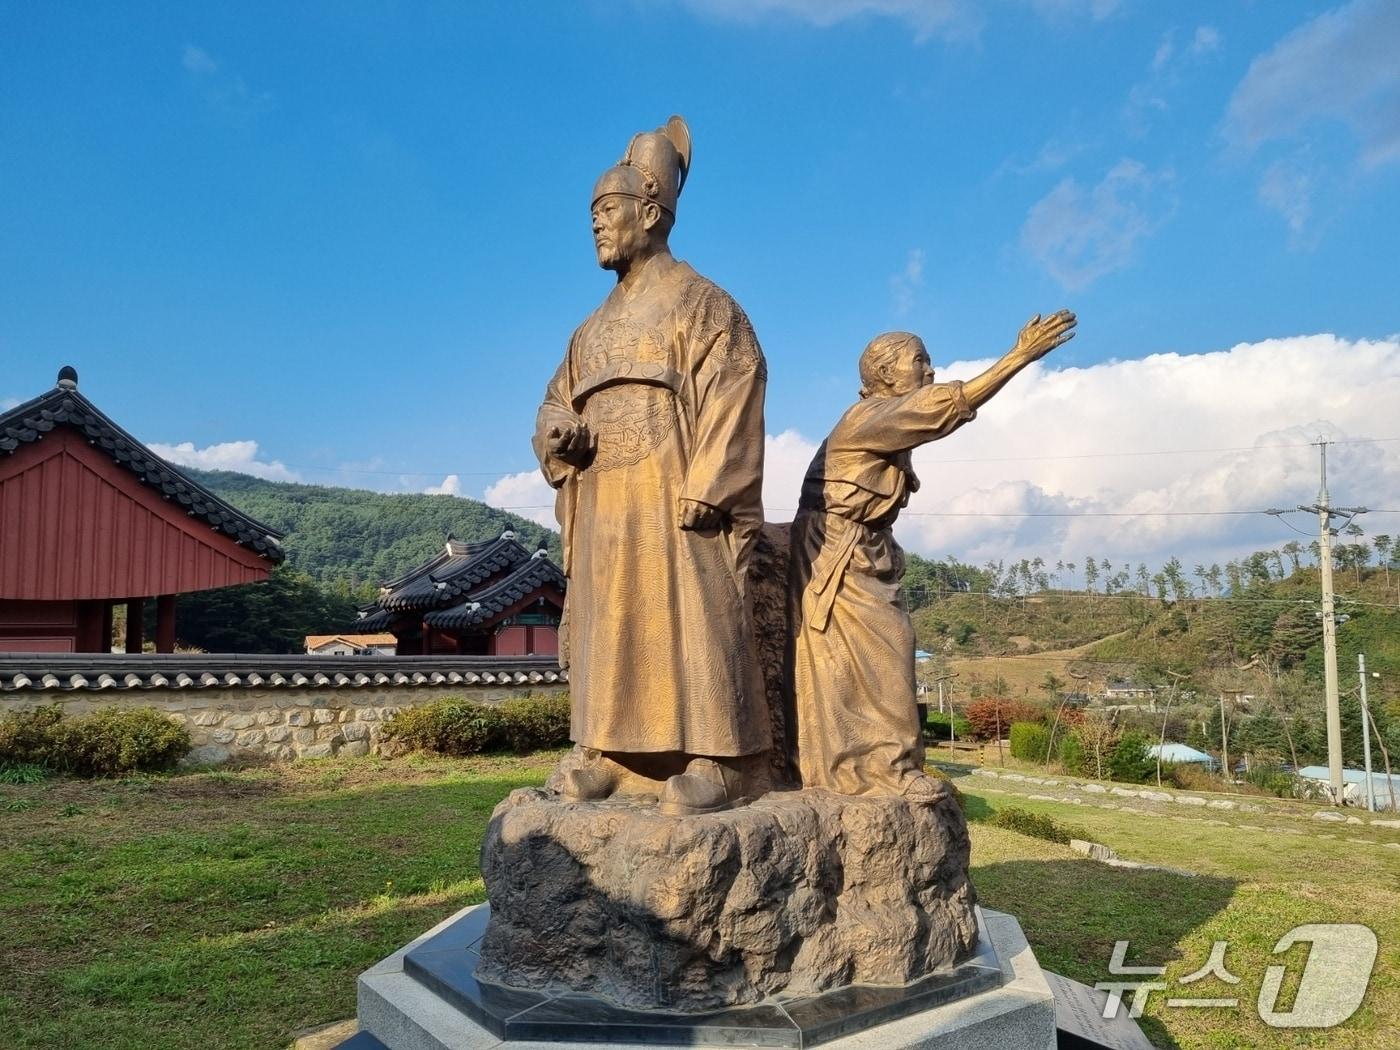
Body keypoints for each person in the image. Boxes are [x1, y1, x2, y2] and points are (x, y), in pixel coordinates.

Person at [534, 116, 769, 815]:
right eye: (593, 215)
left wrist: (710, 484)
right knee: (612, 615)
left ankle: (722, 759)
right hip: (605, 495)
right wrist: (559, 433)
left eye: (608, 211)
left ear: (653, 210)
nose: (597, 226)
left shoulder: (705, 304)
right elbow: (552, 401)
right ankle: (610, 751)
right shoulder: (590, 329)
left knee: (694, 611)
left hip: (676, 489)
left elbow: (738, 382)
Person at [789, 312, 1076, 800]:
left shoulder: (880, 420)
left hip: (863, 549)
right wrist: (1019, 356)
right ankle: (889, 770)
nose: (930, 370)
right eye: (919, 361)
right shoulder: (870, 417)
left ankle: (872, 768)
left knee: (873, 659)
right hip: (838, 552)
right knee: (883, 653)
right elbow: (947, 407)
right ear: (884, 375)